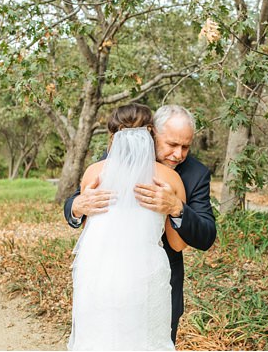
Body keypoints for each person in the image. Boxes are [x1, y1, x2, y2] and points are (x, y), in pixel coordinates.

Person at [63, 104, 216, 342]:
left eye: (186, 146)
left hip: (126, 281)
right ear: (152, 133)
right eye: (172, 144)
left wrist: (176, 208)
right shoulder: (116, 162)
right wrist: (76, 206)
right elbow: (79, 202)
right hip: (115, 278)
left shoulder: (195, 174)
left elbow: (206, 235)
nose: (179, 154)